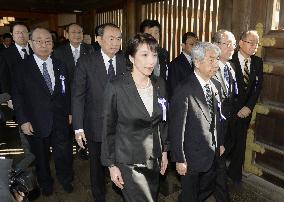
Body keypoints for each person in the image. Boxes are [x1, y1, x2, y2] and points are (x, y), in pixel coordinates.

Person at [101, 33, 168, 202]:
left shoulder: (159, 83)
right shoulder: (116, 86)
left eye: (154, 55)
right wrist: (111, 165)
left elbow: (163, 122)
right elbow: (108, 127)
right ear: (131, 57)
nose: (151, 61)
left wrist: (165, 151)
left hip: (154, 158)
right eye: (144, 55)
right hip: (129, 162)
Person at [12, 27, 73, 196]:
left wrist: (69, 112)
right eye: (39, 41)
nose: (44, 45)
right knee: (41, 157)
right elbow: (17, 96)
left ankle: (66, 179)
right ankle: (46, 183)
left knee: (64, 153)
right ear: (30, 43)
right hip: (36, 120)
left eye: (48, 41)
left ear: (53, 44)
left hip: (60, 118)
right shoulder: (21, 67)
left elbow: (65, 91)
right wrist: (23, 120)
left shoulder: (60, 65)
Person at [72, 23, 126, 202]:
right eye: (111, 38)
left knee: (120, 161)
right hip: (95, 124)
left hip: (122, 125)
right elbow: (78, 95)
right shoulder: (86, 61)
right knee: (96, 165)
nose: (115, 42)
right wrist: (78, 127)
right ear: (98, 39)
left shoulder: (125, 61)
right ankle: (99, 196)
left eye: (118, 38)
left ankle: (120, 189)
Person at [169, 42, 224, 202]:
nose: (216, 64)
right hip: (191, 155)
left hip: (211, 151)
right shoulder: (184, 90)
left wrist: (219, 142)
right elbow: (176, 128)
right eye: (211, 60)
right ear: (197, 62)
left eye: (217, 59)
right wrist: (179, 159)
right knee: (189, 194)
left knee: (206, 188)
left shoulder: (215, 85)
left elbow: (217, 117)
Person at [228, 30, 263, 183]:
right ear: (241, 43)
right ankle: (216, 176)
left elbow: (257, 87)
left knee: (240, 144)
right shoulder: (230, 60)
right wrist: (236, 109)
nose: (254, 46)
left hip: (246, 111)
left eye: (256, 43)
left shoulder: (257, 62)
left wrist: (248, 107)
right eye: (251, 42)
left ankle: (235, 175)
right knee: (226, 143)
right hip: (229, 112)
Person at [212, 29, 238, 202]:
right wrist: (218, 139)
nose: (231, 48)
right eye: (227, 44)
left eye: (233, 44)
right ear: (215, 45)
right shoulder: (209, 68)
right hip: (214, 129)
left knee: (212, 171)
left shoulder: (230, 66)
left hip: (228, 125)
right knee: (219, 169)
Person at [168, 32, 198, 97]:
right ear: (183, 46)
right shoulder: (175, 64)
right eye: (192, 44)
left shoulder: (198, 62)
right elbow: (173, 90)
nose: (195, 47)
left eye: (196, 44)